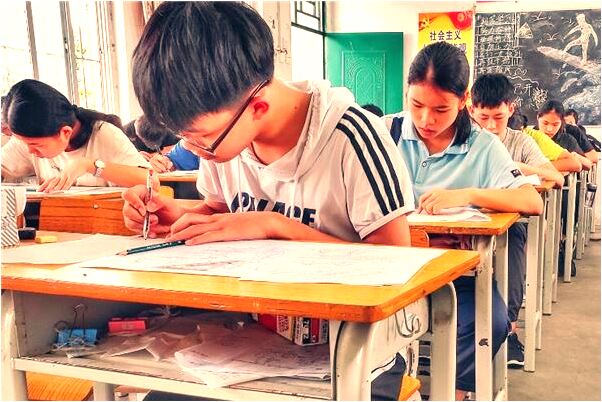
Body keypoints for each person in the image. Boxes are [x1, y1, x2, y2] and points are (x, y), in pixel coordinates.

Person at [122, 2, 415, 400]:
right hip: (251, 336)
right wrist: (177, 215)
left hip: (354, 352)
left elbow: (396, 262)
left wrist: (274, 226)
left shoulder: (352, 138)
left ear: (257, 106)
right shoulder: (226, 138)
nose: (191, 149)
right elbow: (222, 212)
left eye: (200, 138)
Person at [383, 42, 542, 399]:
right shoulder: (385, 133)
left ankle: (453, 392)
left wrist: (468, 194)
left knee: (491, 321)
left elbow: (531, 201)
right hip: (389, 267)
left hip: (453, 277)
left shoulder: (483, 146)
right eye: (416, 105)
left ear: (463, 100)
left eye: (441, 109)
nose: (426, 120)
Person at [470, 73, 563, 368]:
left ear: (511, 109)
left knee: (512, 240)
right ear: (471, 110)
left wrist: (515, 167)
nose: (490, 126)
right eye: (483, 117)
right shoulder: (464, 139)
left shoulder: (519, 141)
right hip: (468, 221)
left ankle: (509, 329)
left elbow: (556, 177)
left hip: (509, 224)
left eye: (498, 117)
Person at [1, 79, 150, 191]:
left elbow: (151, 181)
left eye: (36, 145)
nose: (30, 151)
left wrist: (89, 165)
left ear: (65, 132)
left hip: (107, 219)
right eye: (25, 143)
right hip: (56, 220)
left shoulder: (104, 134)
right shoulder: (27, 140)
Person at [535, 100, 593, 170]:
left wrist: (574, 156)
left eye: (555, 124)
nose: (549, 129)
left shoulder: (567, 140)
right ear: (538, 118)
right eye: (545, 123)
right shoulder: (530, 137)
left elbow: (588, 164)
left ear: (562, 122)